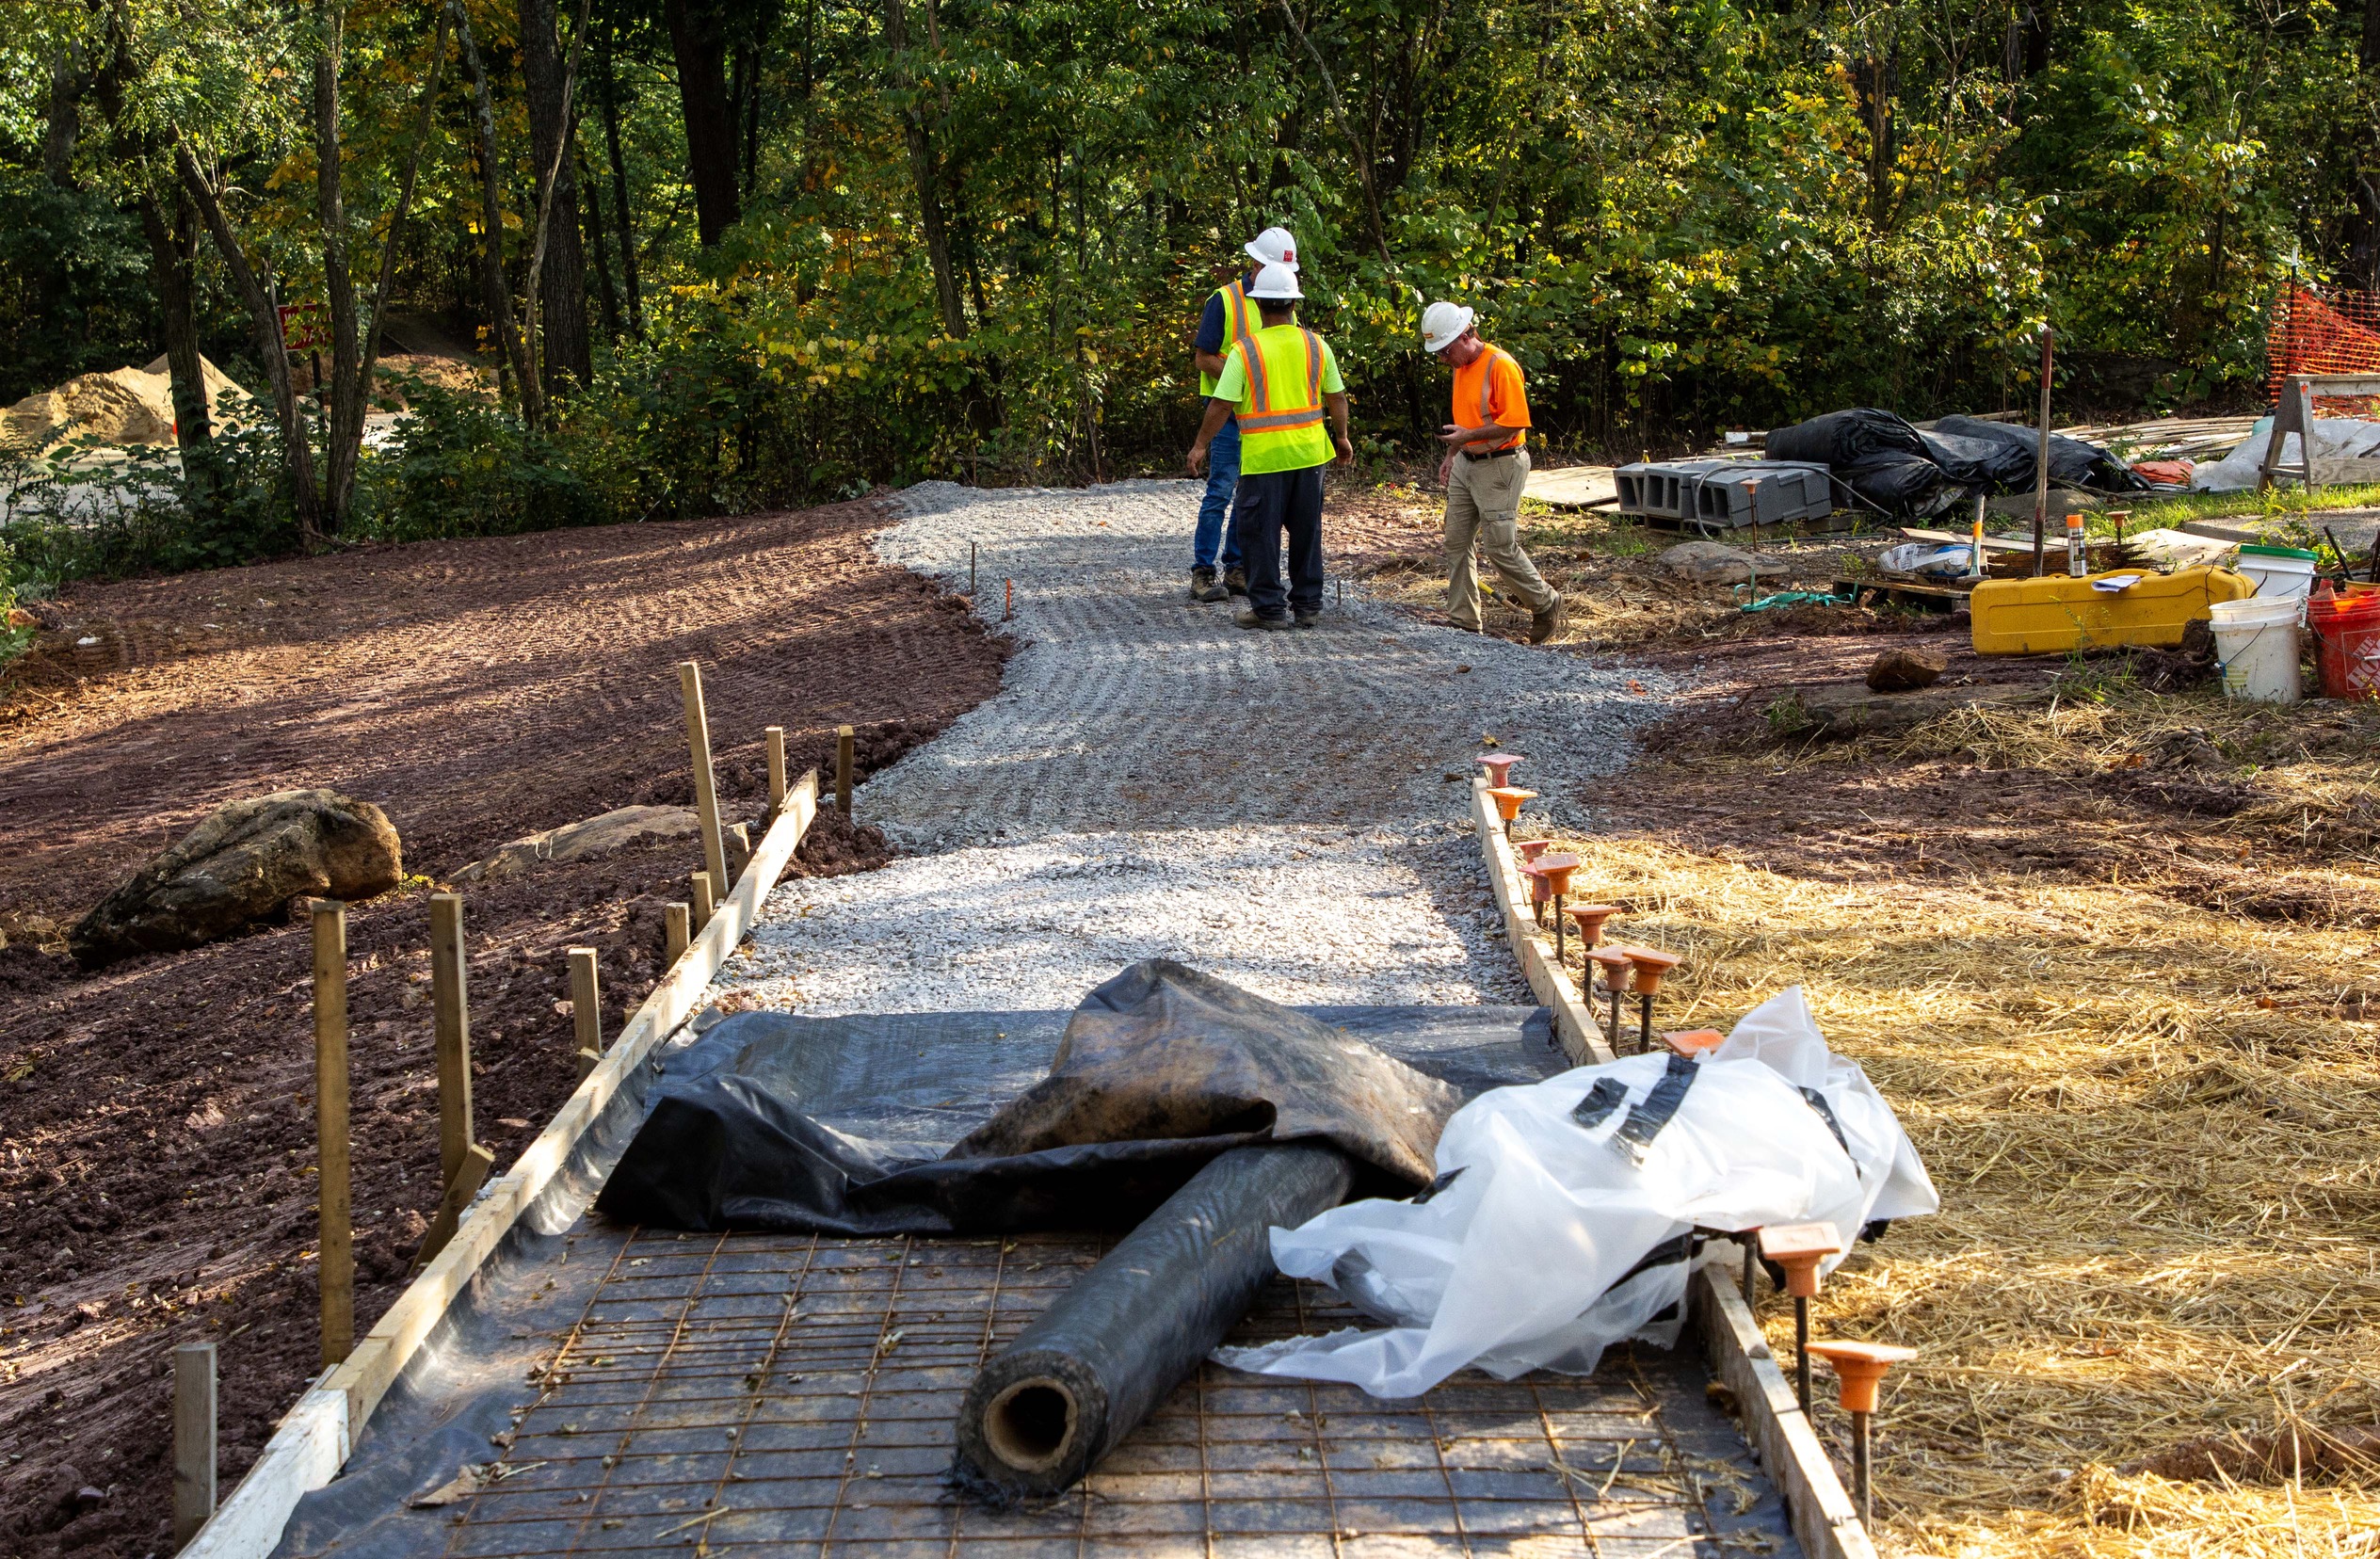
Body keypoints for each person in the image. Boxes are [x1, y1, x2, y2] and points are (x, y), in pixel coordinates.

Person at [1186, 263, 1353, 630]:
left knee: (1259, 535)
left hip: (1264, 460)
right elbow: (1337, 396)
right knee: (1307, 533)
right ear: (1294, 304)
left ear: (1259, 304)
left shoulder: (1246, 351)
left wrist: (1200, 446)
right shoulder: (1315, 344)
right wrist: (1340, 437)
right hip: (1310, 458)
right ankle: (1308, 606)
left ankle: (1269, 610)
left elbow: (1221, 404)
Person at [1420, 300, 1565, 643]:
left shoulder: (1500, 365)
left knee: (1499, 546)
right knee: (1456, 541)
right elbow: (1465, 420)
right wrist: (1453, 452)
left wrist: (1466, 438)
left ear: (1465, 336)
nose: (1442, 359)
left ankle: (1545, 602)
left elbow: (1515, 422)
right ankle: (1464, 621)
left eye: (1444, 350)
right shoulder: (1461, 367)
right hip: (1467, 463)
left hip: (1500, 465)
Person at [1185, 227, 1298, 603]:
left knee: (1248, 493)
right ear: (1254, 263)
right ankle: (1203, 572)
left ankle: (1236, 568)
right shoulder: (1225, 300)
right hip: (1227, 413)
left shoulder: (1282, 298)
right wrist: (1242, 377)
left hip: (1260, 416)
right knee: (1219, 490)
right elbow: (1203, 358)